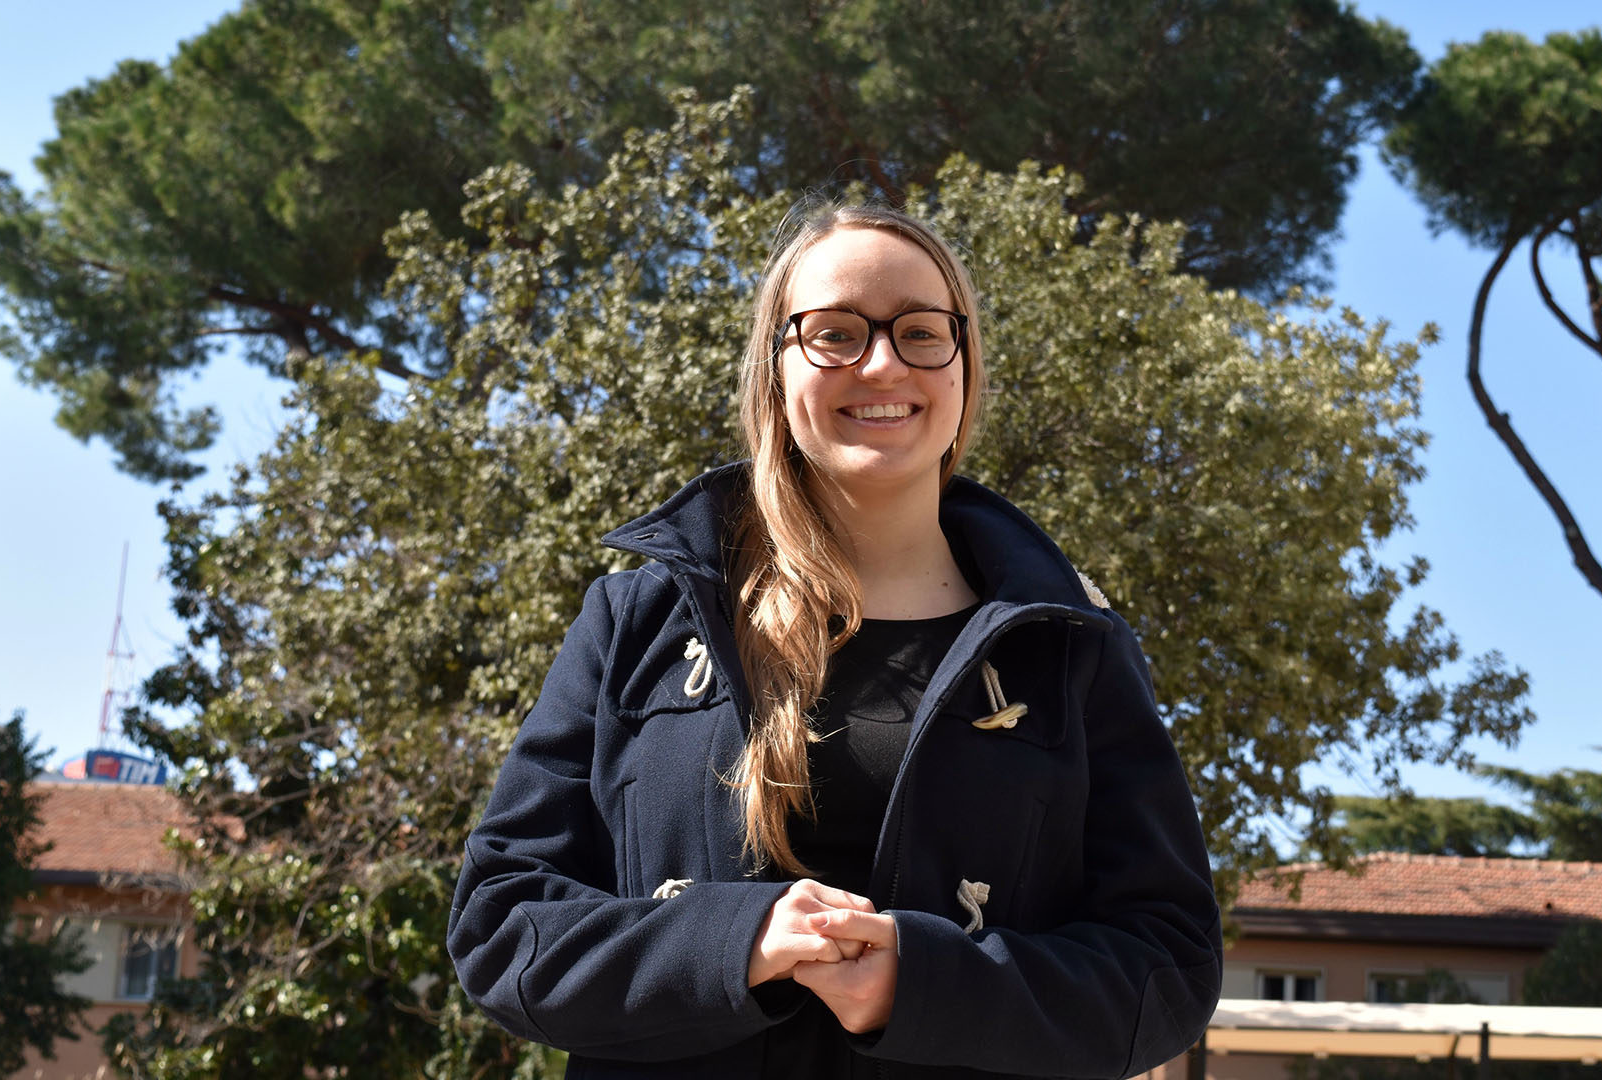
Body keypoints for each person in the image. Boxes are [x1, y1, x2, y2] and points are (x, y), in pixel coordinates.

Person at [448, 203, 1222, 1079]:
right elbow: (501, 926)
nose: (883, 361)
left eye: (922, 332)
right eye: (836, 333)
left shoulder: (1074, 645)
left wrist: (925, 982)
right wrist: (736, 944)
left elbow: (1169, 966)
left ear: (964, 366)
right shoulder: (637, 620)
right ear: (775, 369)